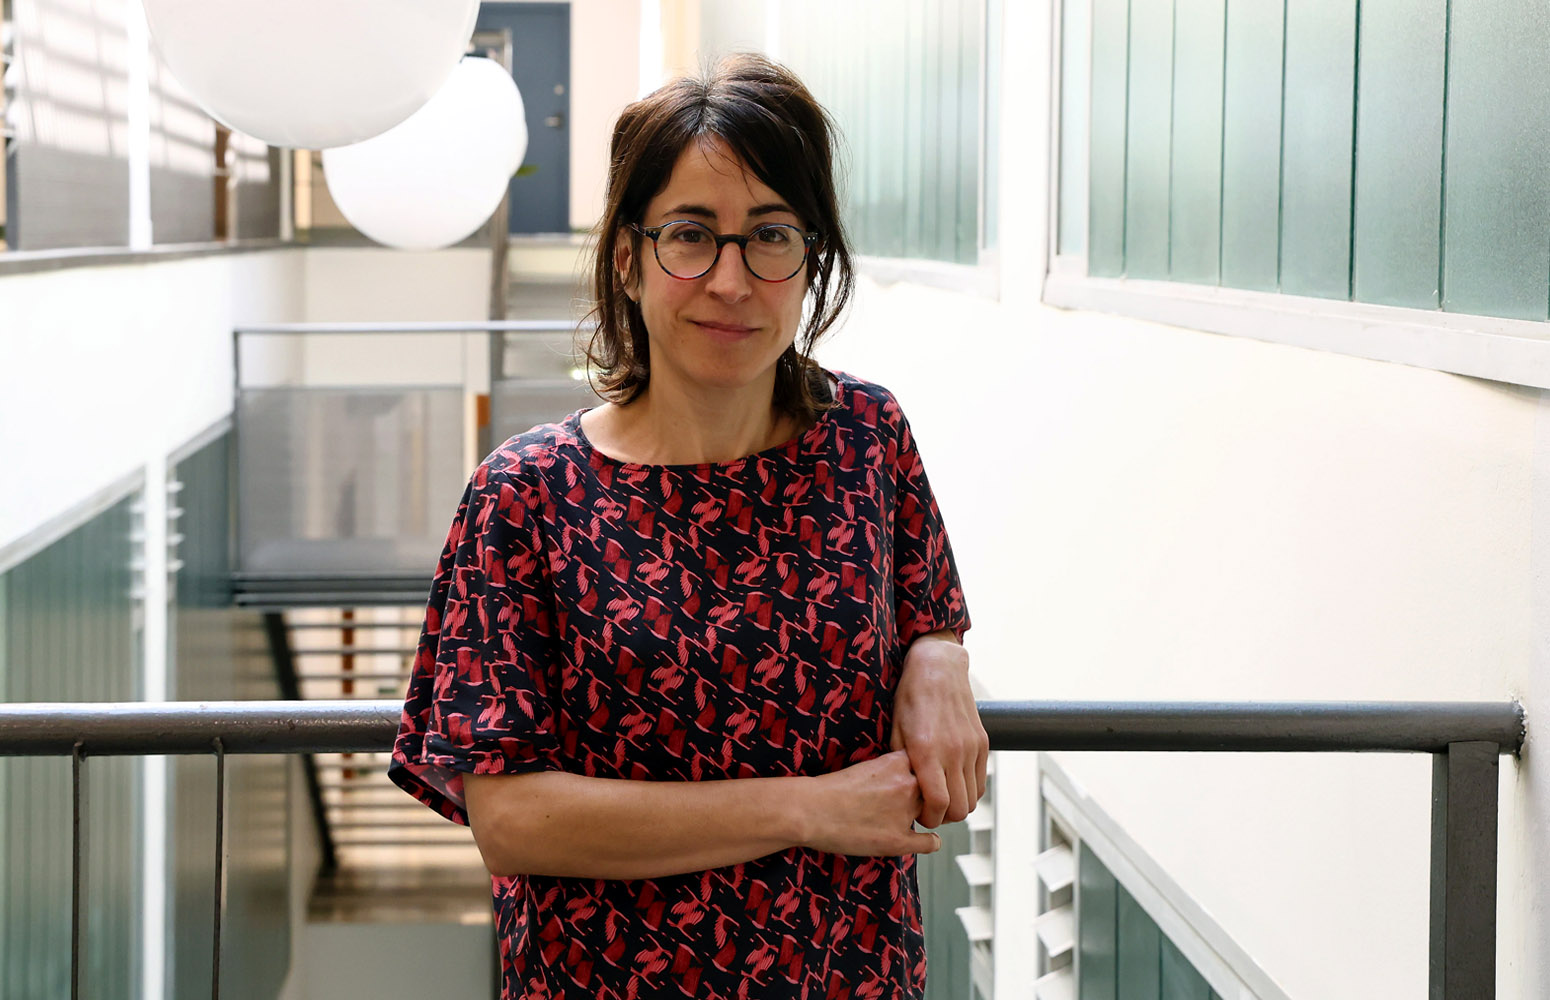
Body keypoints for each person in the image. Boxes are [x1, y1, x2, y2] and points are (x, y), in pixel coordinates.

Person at [389, 53, 986, 1000]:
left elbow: (929, 608)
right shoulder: (526, 497)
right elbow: (508, 818)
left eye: (771, 236)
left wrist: (939, 655)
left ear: (811, 258)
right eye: (691, 235)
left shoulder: (870, 439)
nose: (732, 280)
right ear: (628, 259)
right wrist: (808, 810)